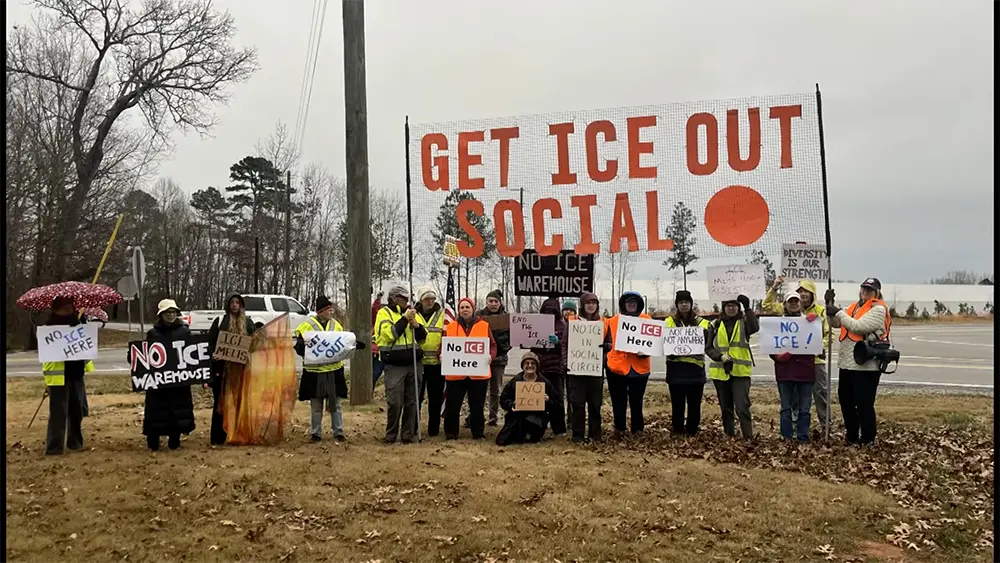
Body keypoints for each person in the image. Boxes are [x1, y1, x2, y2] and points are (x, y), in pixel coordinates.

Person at [826, 278, 892, 446]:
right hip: (847, 363)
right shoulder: (854, 307)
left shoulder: (878, 309)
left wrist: (839, 312)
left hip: (867, 366)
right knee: (846, 401)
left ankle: (868, 438)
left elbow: (859, 327)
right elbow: (835, 324)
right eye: (863, 288)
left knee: (863, 404)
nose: (865, 292)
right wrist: (829, 307)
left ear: (876, 292)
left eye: (869, 289)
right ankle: (852, 435)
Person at [763, 277, 831, 436]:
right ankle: (790, 433)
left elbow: (828, 334)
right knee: (790, 404)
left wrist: (818, 346)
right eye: (800, 291)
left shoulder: (818, 313)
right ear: (786, 304)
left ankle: (825, 428)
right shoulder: (782, 316)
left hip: (813, 362)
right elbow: (766, 306)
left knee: (819, 396)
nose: (802, 295)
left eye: (805, 292)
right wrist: (774, 287)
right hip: (787, 369)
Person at [374, 285, 427, 444]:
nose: (407, 301)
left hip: (414, 363)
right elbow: (390, 334)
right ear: (394, 298)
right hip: (394, 364)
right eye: (404, 298)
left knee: (412, 402)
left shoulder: (413, 313)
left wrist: (416, 326)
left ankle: (407, 435)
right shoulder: (384, 313)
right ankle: (391, 435)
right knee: (395, 402)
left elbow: (423, 338)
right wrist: (404, 319)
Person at [142, 299, 196, 451]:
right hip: (158, 382)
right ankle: (153, 441)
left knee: (176, 411)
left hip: (178, 382)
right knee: (156, 411)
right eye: (167, 312)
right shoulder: (153, 333)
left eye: (173, 312)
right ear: (161, 314)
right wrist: (133, 357)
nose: (170, 315)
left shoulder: (185, 332)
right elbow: (145, 354)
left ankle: (175, 440)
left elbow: (193, 353)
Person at [294, 296, 347, 443]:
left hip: (333, 370)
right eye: (329, 309)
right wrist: (301, 345)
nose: (332, 312)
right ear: (321, 311)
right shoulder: (307, 326)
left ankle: (338, 431)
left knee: (335, 404)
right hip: (314, 373)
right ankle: (316, 433)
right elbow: (299, 349)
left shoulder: (336, 325)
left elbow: (342, 344)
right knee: (316, 405)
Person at [705, 294, 759, 439]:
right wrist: (720, 357)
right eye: (728, 305)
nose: (731, 308)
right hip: (721, 373)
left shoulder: (745, 322)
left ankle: (748, 438)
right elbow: (708, 348)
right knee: (726, 409)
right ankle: (730, 436)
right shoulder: (715, 324)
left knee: (742, 407)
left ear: (738, 307)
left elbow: (754, 328)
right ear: (723, 307)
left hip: (740, 373)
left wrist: (748, 307)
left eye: (734, 305)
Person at [443, 298, 497, 440]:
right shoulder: (450, 326)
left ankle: (478, 433)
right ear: (458, 310)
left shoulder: (484, 326)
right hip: (456, 374)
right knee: (453, 405)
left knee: (477, 406)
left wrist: (490, 356)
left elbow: (492, 345)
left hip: (478, 374)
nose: (465, 310)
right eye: (462, 307)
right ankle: (451, 433)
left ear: (473, 309)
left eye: (467, 307)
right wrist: (442, 355)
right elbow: (442, 346)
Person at [42, 297, 91, 455]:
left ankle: (75, 442)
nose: (69, 310)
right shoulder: (49, 327)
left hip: (76, 374)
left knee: (77, 411)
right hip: (59, 377)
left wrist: (81, 322)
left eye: (71, 307)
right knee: (58, 414)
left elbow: (86, 340)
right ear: (57, 309)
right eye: (66, 307)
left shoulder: (77, 321)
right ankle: (54, 447)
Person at [207, 293, 257, 445]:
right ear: (227, 305)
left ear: (241, 305)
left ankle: (241, 433)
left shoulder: (248, 323)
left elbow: (254, 345)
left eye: (237, 302)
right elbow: (210, 343)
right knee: (220, 402)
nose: (235, 305)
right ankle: (218, 436)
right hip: (223, 370)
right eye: (232, 302)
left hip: (242, 369)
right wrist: (214, 355)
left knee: (242, 401)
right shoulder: (220, 322)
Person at [770, 292, 820, 442]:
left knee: (805, 409)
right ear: (785, 304)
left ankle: (802, 437)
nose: (793, 304)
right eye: (790, 301)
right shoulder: (777, 323)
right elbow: (770, 344)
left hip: (806, 371)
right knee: (786, 407)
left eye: (796, 301)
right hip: (785, 371)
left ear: (801, 303)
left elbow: (819, 343)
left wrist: (815, 323)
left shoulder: (810, 321)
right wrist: (776, 356)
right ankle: (786, 437)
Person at [604, 291, 652, 437]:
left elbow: (654, 343)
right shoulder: (611, 321)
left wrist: (647, 350)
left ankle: (638, 430)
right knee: (618, 402)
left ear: (638, 305)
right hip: (616, 367)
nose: (631, 305)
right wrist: (609, 349)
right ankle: (619, 429)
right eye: (628, 302)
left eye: (634, 302)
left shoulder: (647, 320)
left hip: (640, 369)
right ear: (623, 304)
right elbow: (603, 342)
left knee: (637, 402)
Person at [664, 290, 711, 436]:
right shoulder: (668, 322)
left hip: (695, 370)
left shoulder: (702, 323)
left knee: (694, 404)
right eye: (681, 302)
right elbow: (663, 343)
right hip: (675, 370)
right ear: (677, 305)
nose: (684, 305)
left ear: (691, 304)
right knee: (677, 404)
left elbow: (708, 341)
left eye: (686, 302)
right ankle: (677, 430)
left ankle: (692, 430)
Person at [496, 352, 561, 445]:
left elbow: (557, 404)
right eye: (527, 363)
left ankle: (532, 434)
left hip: (537, 417)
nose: (530, 366)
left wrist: (548, 400)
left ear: (537, 366)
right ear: (522, 366)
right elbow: (503, 399)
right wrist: (511, 405)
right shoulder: (516, 380)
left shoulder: (544, 382)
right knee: (502, 440)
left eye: (533, 363)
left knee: (532, 428)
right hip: (518, 416)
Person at [567, 292, 605, 443]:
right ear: (582, 305)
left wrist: (607, 347)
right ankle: (577, 435)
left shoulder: (603, 322)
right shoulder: (573, 322)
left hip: (595, 370)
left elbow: (609, 342)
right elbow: (565, 343)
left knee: (595, 405)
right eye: (588, 302)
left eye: (594, 303)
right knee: (578, 404)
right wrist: (565, 361)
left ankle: (595, 435)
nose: (591, 305)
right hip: (576, 370)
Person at [530, 297, 568, 437]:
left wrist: (558, 342)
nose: (550, 313)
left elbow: (567, 347)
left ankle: (559, 429)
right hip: (540, 366)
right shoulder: (536, 324)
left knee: (556, 398)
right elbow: (531, 343)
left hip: (556, 368)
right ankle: (538, 425)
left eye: (553, 311)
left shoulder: (563, 326)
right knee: (537, 398)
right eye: (547, 311)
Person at [416, 287, 446, 437]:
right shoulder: (413, 315)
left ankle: (433, 430)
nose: (430, 301)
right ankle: (414, 427)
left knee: (435, 399)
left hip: (436, 364)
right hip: (418, 364)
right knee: (416, 397)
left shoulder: (442, 315)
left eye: (432, 299)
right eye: (427, 299)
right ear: (421, 300)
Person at [479, 289, 511, 427]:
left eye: (495, 301)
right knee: (478, 389)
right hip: (480, 359)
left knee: (495, 391)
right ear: (486, 302)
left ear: (500, 303)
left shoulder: (507, 318)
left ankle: (493, 418)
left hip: (499, 359)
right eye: (490, 301)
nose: (493, 304)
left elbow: (513, 338)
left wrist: (501, 348)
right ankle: (475, 416)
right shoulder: (478, 316)